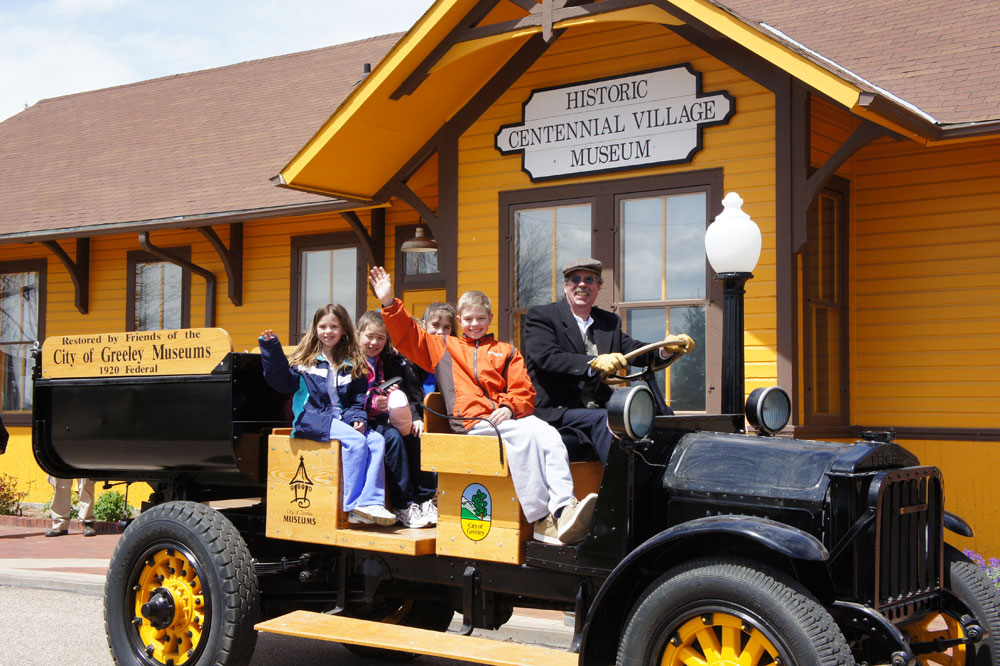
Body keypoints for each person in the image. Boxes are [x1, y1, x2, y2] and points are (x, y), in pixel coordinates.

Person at [369, 266, 598, 545]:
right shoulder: (443, 347)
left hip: (505, 418)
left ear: (490, 318)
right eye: (468, 319)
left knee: (548, 433)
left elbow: (524, 391)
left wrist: (510, 407)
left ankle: (563, 508)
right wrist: (389, 303)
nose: (474, 324)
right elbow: (408, 336)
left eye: (480, 318)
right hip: (472, 422)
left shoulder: (506, 351)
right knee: (524, 438)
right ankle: (541, 520)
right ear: (459, 320)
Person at [523, 258, 693, 465]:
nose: (582, 284)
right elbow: (547, 358)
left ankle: (662, 479)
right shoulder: (542, 316)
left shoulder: (608, 322)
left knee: (659, 415)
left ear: (598, 287)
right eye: (575, 279)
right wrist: (593, 363)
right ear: (566, 286)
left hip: (597, 406)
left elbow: (634, 350)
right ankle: (623, 494)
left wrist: (666, 350)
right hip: (557, 409)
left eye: (590, 280)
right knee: (608, 420)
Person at [258, 304, 396, 526]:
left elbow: (356, 400)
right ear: (315, 329)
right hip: (311, 418)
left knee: (377, 441)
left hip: (341, 420)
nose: (328, 331)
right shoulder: (305, 361)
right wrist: (271, 349)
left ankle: (371, 501)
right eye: (323, 326)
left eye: (334, 326)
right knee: (356, 441)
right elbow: (281, 382)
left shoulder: (352, 362)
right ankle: (353, 506)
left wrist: (357, 418)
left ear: (344, 330)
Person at [356, 311, 436, 528]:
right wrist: (372, 402)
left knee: (414, 436)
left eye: (380, 338)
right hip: (358, 419)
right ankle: (403, 504)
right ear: (358, 334)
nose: (374, 343)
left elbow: (407, 390)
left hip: (384, 418)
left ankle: (425, 499)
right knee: (392, 439)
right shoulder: (352, 361)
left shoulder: (387, 361)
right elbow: (349, 395)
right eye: (369, 337)